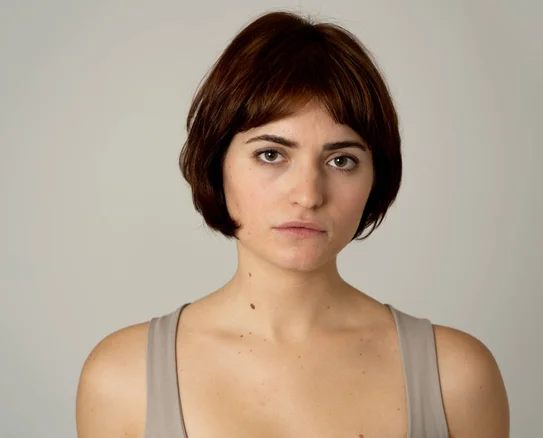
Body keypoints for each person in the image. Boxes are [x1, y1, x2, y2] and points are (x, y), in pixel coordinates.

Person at [75, 10, 509, 438]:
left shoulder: (458, 378)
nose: (308, 194)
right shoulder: (122, 379)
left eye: (342, 161)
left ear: (376, 177)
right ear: (216, 162)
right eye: (271, 154)